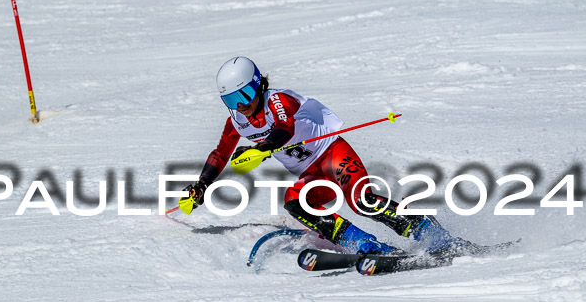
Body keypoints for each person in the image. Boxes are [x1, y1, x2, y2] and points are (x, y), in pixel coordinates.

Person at [180, 56, 456, 254]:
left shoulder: (277, 100)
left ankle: (424, 229)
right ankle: (361, 243)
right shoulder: (237, 121)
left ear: (258, 85)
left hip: (332, 154)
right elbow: (221, 153)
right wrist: (201, 185)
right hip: (310, 173)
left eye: (246, 94)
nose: (242, 106)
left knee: (361, 201)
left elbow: (284, 129)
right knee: (294, 201)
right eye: (231, 101)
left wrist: (259, 149)